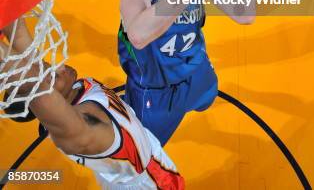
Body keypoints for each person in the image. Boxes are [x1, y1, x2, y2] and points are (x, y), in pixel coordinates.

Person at [118, 0, 261, 146]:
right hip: (155, 91)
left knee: (206, 98)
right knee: (144, 155)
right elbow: (137, 35)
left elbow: (244, 14)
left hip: (197, 73)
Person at [0, 14, 184, 189]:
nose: (59, 67)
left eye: (49, 67)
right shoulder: (78, 131)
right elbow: (31, 82)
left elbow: (21, 41)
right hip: (148, 180)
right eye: (52, 76)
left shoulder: (64, 89)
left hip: (137, 155)